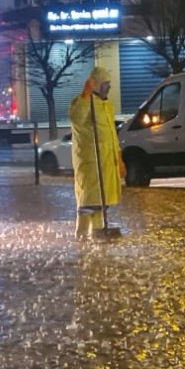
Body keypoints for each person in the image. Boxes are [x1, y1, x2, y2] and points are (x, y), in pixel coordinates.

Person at [69, 66, 123, 240]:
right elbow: (76, 119)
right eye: (105, 84)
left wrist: (119, 159)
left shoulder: (107, 106)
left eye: (109, 84)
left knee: (101, 203)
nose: (108, 87)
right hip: (90, 162)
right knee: (88, 203)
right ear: (96, 84)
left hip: (107, 163)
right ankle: (82, 237)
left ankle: (98, 236)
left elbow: (112, 135)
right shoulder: (82, 102)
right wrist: (86, 93)